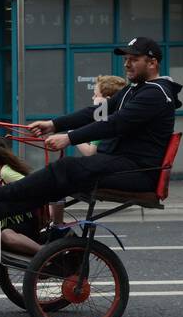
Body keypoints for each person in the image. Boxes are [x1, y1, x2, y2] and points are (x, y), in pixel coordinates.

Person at [0, 37, 181, 220]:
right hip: (119, 164)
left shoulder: (156, 94)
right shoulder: (134, 90)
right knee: (60, 182)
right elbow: (95, 113)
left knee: (65, 168)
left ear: (152, 63)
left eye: (133, 60)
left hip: (136, 171)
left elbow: (114, 123)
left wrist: (69, 138)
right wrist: (53, 124)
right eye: (125, 60)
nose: (126, 64)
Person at [49, 73, 127, 225]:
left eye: (95, 95)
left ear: (107, 100)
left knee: (56, 176)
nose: (93, 99)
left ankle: (57, 224)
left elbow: (90, 152)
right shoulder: (113, 118)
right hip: (109, 167)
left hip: (104, 172)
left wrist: (70, 136)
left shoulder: (104, 120)